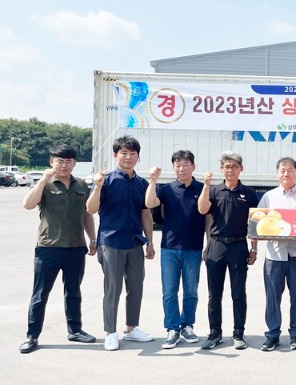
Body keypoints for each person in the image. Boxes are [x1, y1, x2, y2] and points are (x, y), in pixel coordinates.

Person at [19, 144, 97, 354]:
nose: (64, 165)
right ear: (51, 162)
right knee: (40, 294)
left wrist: (92, 238)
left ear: (74, 163)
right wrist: (43, 180)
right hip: (48, 248)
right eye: (59, 161)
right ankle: (32, 336)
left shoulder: (81, 185)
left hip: (76, 247)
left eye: (68, 161)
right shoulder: (44, 184)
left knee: (73, 292)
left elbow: (87, 214)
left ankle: (75, 330)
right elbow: (27, 204)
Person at [87, 135, 155, 351]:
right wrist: (97, 187)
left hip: (135, 242)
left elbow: (146, 214)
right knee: (112, 289)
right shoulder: (105, 180)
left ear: (138, 157)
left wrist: (150, 242)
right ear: (115, 155)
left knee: (136, 287)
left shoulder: (141, 183)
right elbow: (90, 209)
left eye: (132, 153)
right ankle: (110, 332)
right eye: (123, 153)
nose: (128, 157)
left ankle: (131, 328)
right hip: (111, 243)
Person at [145, 150, 209, 349]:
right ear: (173, 167)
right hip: (170, 248)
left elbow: (208, 218)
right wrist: (152, 181)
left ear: (193, 166)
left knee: (191, 291)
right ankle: (172, 328)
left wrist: (208, 244)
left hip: (194, 248)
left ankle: (187, 325)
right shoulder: (167, 189)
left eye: (185, 164)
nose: (182, 169)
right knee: (169, 291)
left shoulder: (202, 188)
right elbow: (149, 203)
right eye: (178, 165)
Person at [257, 157, 296, 351]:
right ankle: (272, 335)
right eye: (282, 170)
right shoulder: (268, 197)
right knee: (272, 296)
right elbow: (257, 223)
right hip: (274, 255)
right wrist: (254, 246)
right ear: (277, 173)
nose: (286, 174)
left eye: (290, 170)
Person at [197, 151, 259, 350]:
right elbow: (202, 209)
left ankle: (239, 333)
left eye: (234, 166)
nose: (230, 170)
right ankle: (215, 332)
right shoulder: (214, 190)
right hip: (216, 245)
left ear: (241, 169)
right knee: (214, 293)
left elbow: (255, 224)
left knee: (238, 292)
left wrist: (254, 249)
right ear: (221, 169)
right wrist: (206, 185)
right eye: (227, 166)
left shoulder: (249, 193)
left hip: (238, 246)